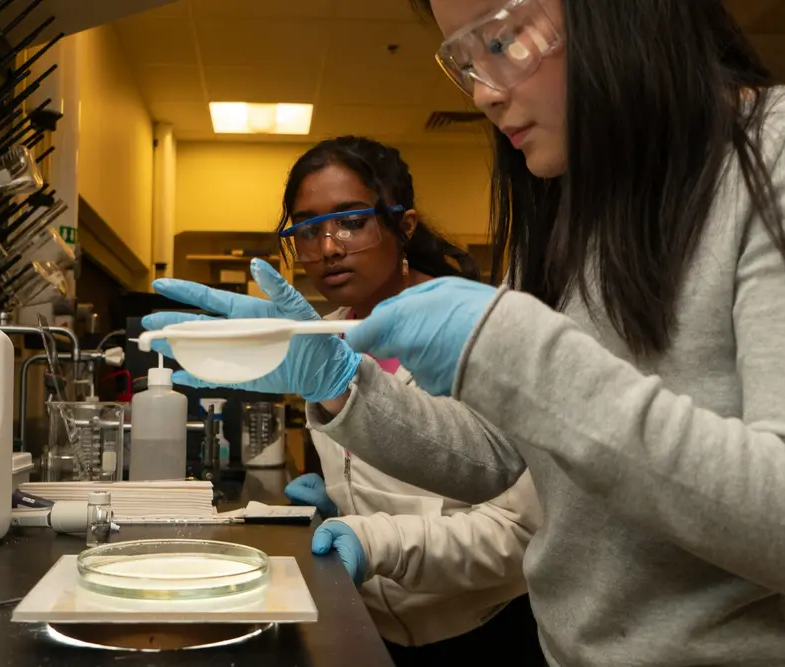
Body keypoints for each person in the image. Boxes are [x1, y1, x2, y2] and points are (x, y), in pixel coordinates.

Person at [145, 1, 785, 664]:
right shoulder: (568, 209)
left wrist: (513, 345)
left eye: (501, 40)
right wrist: (342, 383)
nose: (484, 91)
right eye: (463, 61)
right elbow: (497, 454)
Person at [144, 136, 546, 666]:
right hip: (369, 628)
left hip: (482, 634)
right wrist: (342, 500)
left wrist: (376, 541)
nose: (328, 247)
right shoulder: (320, 341)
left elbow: (520, 535)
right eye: (307, 231)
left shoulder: (483, 331)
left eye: (351, 221)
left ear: (404, 226)